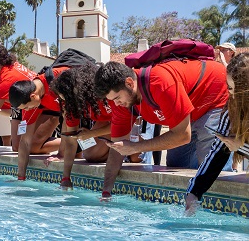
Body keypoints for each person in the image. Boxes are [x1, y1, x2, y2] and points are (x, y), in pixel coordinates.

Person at [94, 60, 229, 200]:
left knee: (212, 166)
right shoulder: (122, 102)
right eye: (112, 100)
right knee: (177, 165)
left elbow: (183, 135)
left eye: (117, 98)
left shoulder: (160, 82)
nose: (116, 104)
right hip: (186, 112)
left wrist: (135, 147)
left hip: (214, 95)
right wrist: (106, 192)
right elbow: (116, 151)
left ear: (129, 83)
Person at [185, 53, 249, 214]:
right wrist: (194, 192)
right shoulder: (232, 110)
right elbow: (216, 153)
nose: (230, 95)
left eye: (234, 89)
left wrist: (242, 147)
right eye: (228, 88)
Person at [49, 63, 114, 188]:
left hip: (129, 122)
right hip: (107, 122)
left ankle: (131, 151)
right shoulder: (72, 104)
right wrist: (66, 177)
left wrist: (92, 134)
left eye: (67, 98)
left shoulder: (105, 95)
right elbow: (70, 141)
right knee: (90, 154)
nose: (66, 102)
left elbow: (122, 124)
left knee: (132, 154)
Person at [8, 65, 72, 180]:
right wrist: (21, 176)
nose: (26, 110)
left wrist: (61, 154)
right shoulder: (31, 99)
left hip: (87, 109)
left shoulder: (59, 78)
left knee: (91, 153)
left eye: (26, 107)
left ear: (33, 96)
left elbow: (69, 118)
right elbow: (25, 142)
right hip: (67, 114)